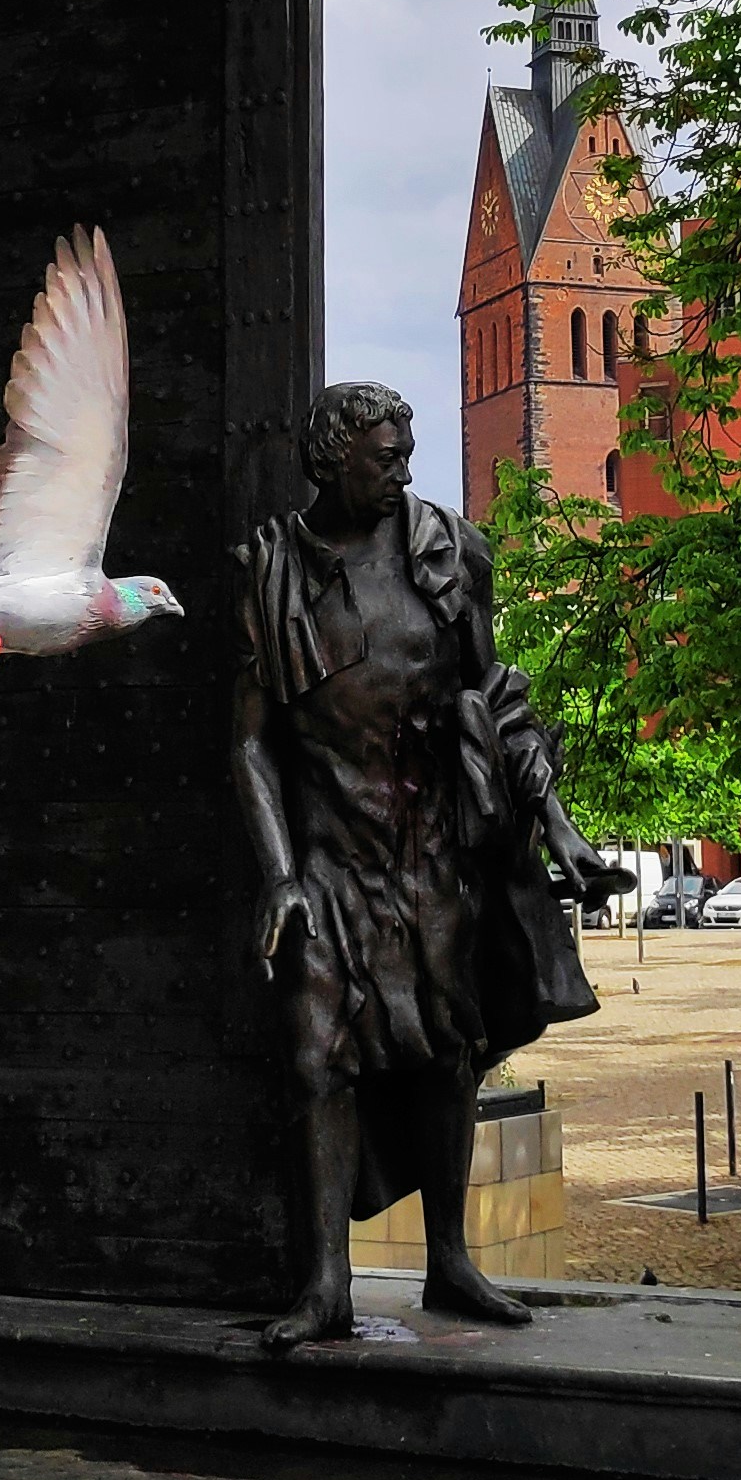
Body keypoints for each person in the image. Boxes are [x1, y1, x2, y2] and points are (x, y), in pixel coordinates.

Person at [232, 384, 614, 1349]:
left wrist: (555, 823)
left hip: (433, 849)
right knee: (320, 1059)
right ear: (329, 460)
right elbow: (249, 743)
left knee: (449, 1053)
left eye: (408, 452)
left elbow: (496, 698)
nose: (403, 470)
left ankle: (451, 1260)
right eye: (383, 456)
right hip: (329, 858)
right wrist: (279, 873)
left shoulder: (447, 551)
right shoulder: (275, 571)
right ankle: (326, 1286)